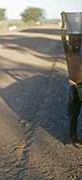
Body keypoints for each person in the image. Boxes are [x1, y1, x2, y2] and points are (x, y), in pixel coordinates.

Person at [61, 12, 82, 145]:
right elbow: (63, 36)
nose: (76, 44)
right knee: (74, 114)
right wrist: (63, 20)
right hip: (74, 87)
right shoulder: (69, 53)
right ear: (69, 42)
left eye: (79, 41)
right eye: (73, 41)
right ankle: (73, 137)